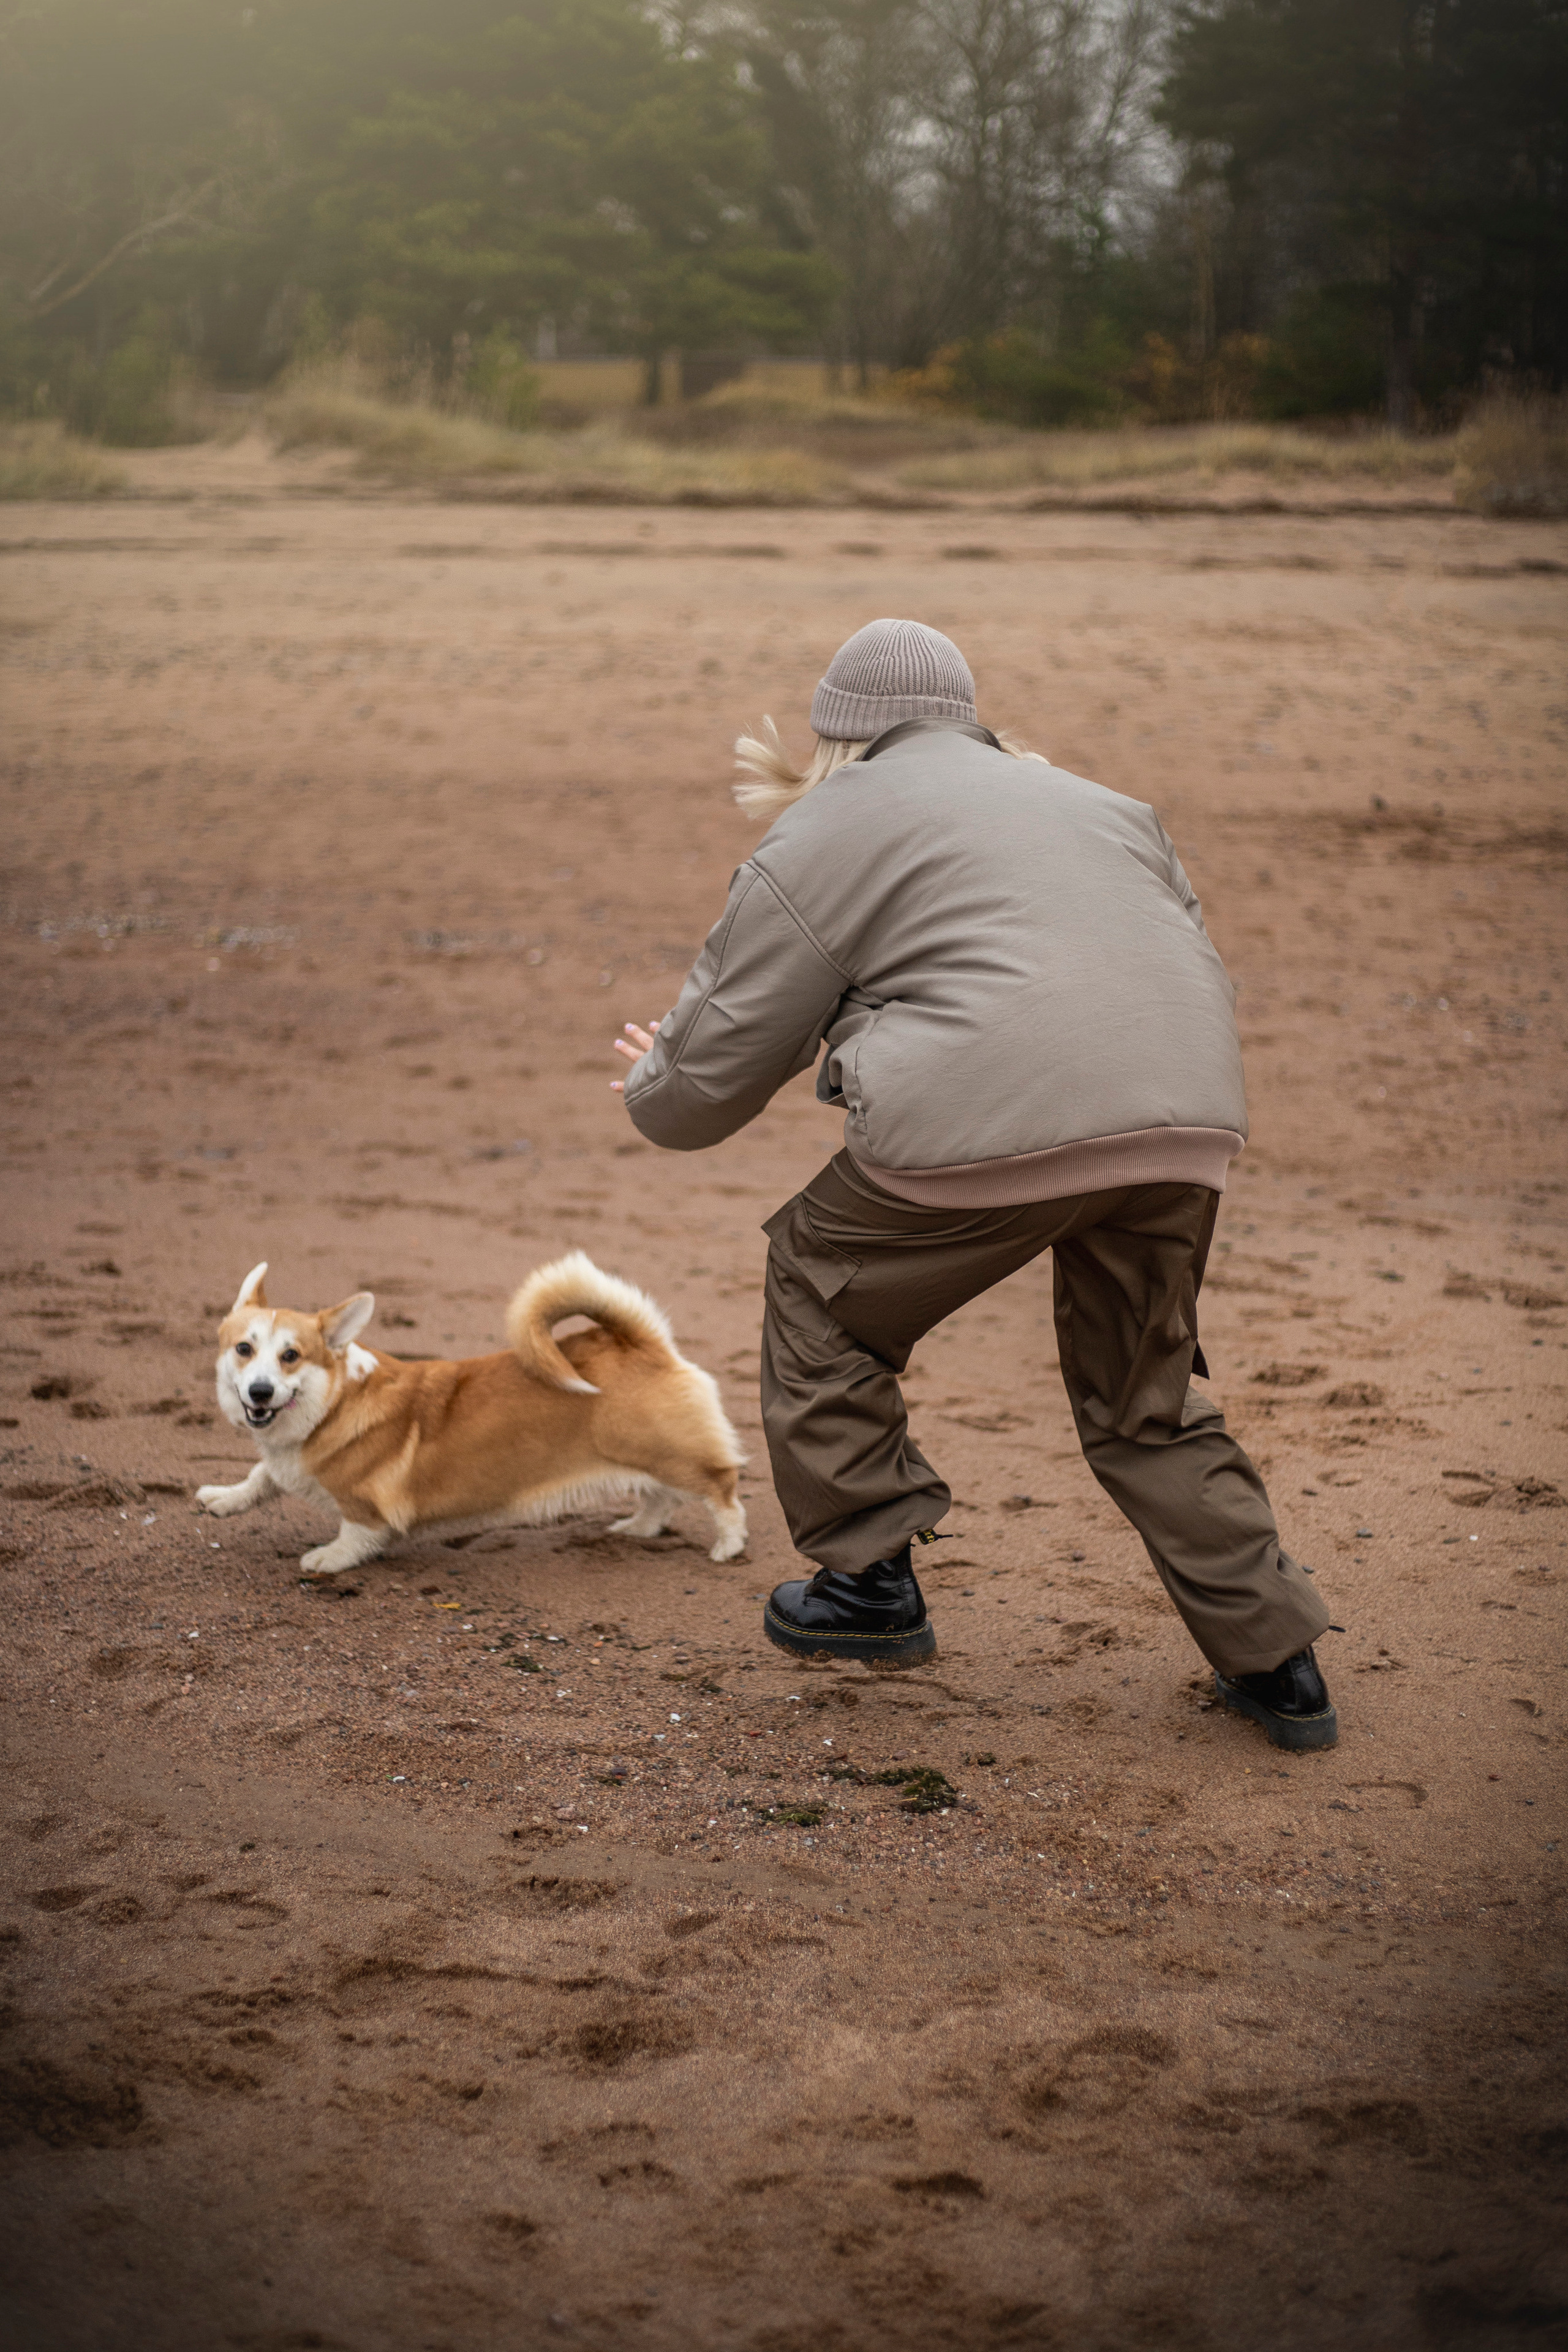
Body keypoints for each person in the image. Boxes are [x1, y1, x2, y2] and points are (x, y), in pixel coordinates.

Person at [610, 619, 1336, 1752]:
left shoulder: (825, 826)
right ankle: (1278, 1661)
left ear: (837, 734)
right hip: (1186, 1122)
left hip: (990, 1118)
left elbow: (698, 1094)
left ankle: (866, 1585)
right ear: (966, 716)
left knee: (819, 1277)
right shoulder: (1105, 805)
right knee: (1143, 1397)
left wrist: (652, 1079)